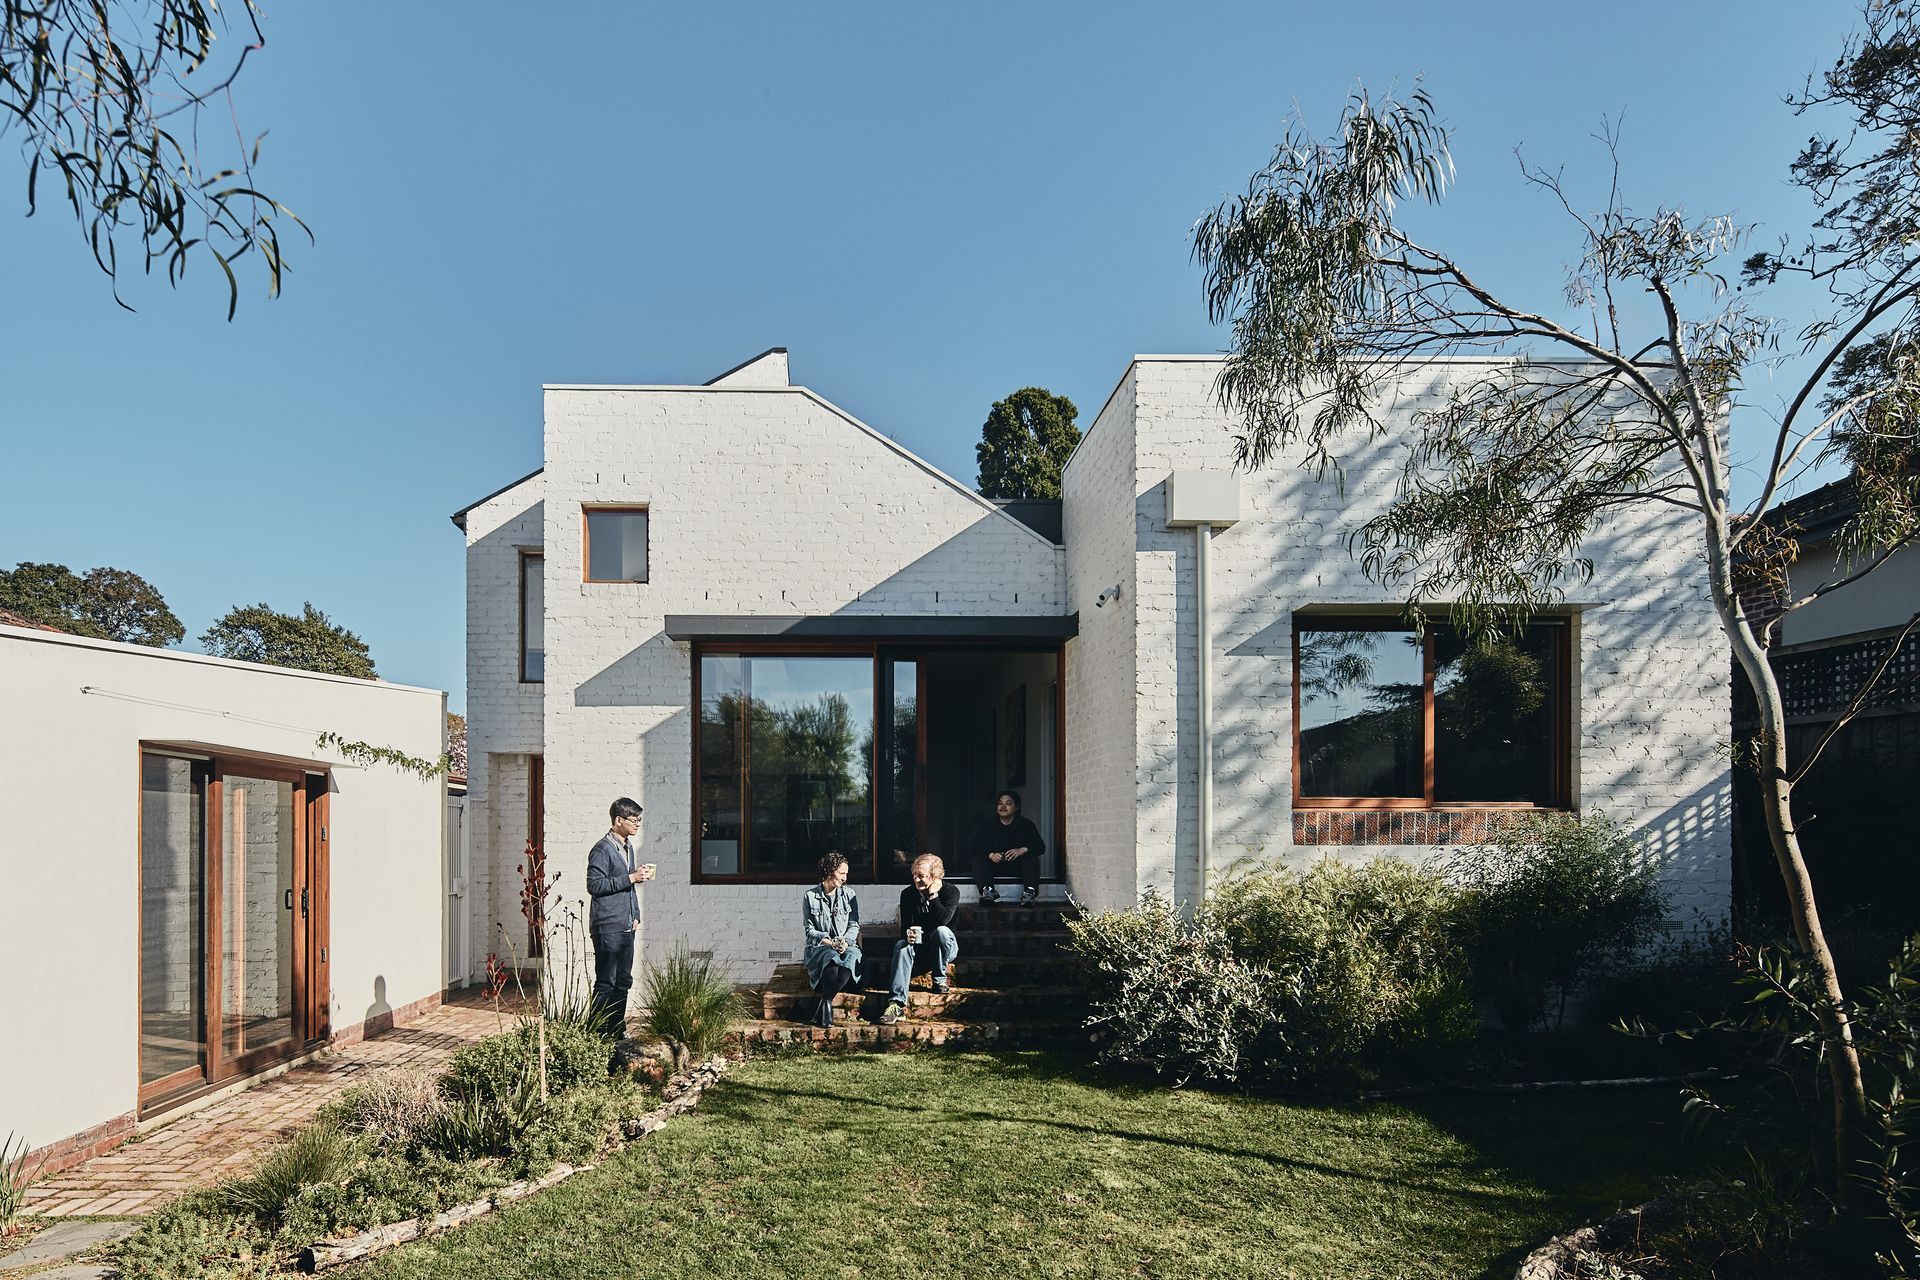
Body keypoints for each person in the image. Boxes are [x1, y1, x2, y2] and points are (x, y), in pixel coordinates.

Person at [586, 797, 655, 1036]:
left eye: (639, 820)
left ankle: (616, 1030)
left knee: (623, 982)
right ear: (618, 820)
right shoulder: (601, 849)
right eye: (634, 820)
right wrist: (630, 877)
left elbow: (629, 887)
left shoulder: (627, 847)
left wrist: (635, 914)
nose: (637, 824)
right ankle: (597, 1033)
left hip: (626, 925)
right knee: (607, 983)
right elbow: (594, 886)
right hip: (607, 926)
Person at [878, 853, 959, 1025]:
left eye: (921, 876)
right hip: (920, 947)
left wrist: (933, 896)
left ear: (934, 876)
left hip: (944, 948)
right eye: (914, 875)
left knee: (941, 932)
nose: (916, 879)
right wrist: (908, 935)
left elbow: (943, 920)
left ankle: (939, 980)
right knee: (901, 945)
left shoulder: (950, 891)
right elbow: (904, 927)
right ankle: (896, 1004)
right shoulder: (908, 894)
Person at [801, 851, 862, 1029]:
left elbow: (854, 924)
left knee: (851, 957)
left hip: (846, 944)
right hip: (821, 947)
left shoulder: (849, 895)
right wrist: (831, 943)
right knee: (831, 957)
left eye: (846, 874)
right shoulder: (810, 896)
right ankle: (826, 1005)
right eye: (842, 873)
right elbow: (810, 930)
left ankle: (825, 1002)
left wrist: (845, 941)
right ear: (829, 871)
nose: (845, 878)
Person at [970, 789, 1046, 906]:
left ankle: (1029, 893)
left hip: (1018, 867)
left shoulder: (1026, 824)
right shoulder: (988, 824)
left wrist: (1022, 850)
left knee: (1031, 857)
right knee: (978, 859)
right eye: (1000, 803)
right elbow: (975, 846)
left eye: (1008, 803)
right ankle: (988, 892)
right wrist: (991, 855)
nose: (1003, 806)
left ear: (1016, 807)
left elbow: (1041, 847)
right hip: (994, 867)